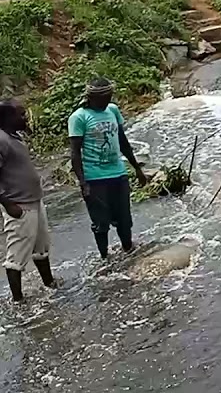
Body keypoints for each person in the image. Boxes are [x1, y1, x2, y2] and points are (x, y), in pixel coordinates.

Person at [69, 78, 148, 260]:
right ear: (91, 97)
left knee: (124, 220)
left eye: (109, 96)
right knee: (101, 223)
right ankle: (104, 257)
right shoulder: (79, 117)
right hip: (95, 178)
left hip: (118, 174)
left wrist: (137, 168)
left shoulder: (112, 110)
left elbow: (123, 141)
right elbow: (75, 153)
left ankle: (129, 250)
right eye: (103, 97)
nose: (107, 100)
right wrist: (83, 183)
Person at [0, 100, 58, 303]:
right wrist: (7, 203)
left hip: (34, 201)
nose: (25, 118)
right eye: (21, 115)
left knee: (42, 247)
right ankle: (18, 300)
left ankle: (50, 284)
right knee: (16, 256)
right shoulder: (1, 140)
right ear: (7, 119)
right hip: (19, 205)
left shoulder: (14, 136)